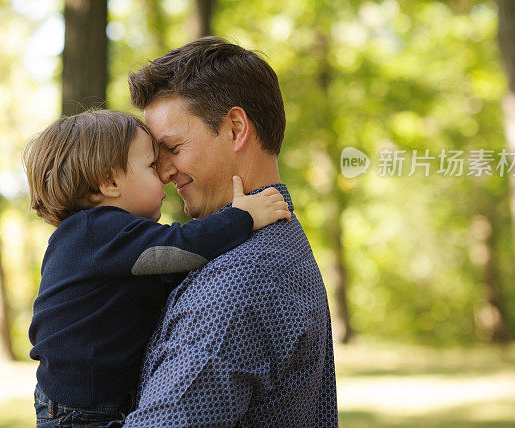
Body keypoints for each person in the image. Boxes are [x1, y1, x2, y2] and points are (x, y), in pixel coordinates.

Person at [23, 109, 291, 427]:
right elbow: (179, 248)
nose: (164, 174)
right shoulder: (96, 231)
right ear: (110, 182)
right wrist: (242, 216)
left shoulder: (105, 239)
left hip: (88, 401)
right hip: (80, 411)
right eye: (151, 166)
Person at [123, 37, 338, 427]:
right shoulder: (275, 244)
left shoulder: (238, 281)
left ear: (235, 129)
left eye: (172, 147)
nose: (163, 171)